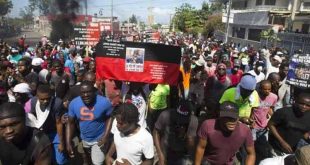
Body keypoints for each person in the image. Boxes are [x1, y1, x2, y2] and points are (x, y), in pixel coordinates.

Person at [67, 81, 113, 165]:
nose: (86, 95)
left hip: (99, 139)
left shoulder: (104, 102)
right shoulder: (73, 104)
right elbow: (70, 123)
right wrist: (68, 142)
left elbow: (109, 117)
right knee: (87, 158)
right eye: (83, 93)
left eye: (88, 92)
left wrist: (106, 136)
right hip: (84, 138)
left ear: (94, 91)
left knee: (97, 162)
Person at [24, 84, 67, 165]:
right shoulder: (32, 103)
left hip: (54, 132)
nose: (45, 101)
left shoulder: (57, 103)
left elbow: (58, 123)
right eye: (42, 99)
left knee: (60, 160)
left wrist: (61, 143)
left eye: (48, 98)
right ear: (37, 96)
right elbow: (30, 119)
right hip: (40, 133)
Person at [153, 100, 198, 165]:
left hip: (182, 153)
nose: (180, 123)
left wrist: (185, 136)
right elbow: (156, 132)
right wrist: (160, 155)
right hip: (165, 150)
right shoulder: (165, 115)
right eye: (179, 119)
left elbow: (191, 147)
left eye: (184, 121)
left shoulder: (193, 121)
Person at [252, 80, 278, 162]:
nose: (267, 91)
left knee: (263, 147)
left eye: (269, 89)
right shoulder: (254, 96)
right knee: (251, 146)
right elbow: (250, 109)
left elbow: (270, 108)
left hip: (264, 126)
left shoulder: (274, 97)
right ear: (260, 89)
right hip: (253, 126)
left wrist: (272, 119)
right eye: (265, 89)